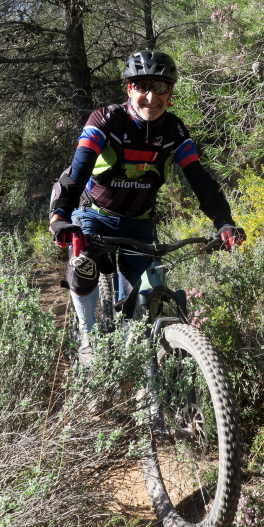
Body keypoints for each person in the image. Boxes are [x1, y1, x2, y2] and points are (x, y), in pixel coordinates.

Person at [50, 50, 245, 363]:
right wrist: (60, 216)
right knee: (83, 266)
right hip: (94, 214)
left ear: (171, 92)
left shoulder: (174, 131)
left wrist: (223, 221)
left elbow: (200, 180)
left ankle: (142, 363)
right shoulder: (105, 120)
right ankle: (88, 337)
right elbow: (78, 170)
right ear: (129, 89)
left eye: (161, 87)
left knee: (147, 297)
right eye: (142, 87)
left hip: (139, 222)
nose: (151, 97)